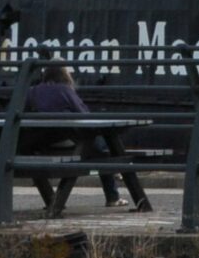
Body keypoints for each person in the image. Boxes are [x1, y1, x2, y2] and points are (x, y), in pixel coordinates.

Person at [22, 64, 123, 207]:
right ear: (64, 75)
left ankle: (52, 200)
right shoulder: (65, 90)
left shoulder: (31, 92)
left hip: (40, 144)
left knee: (95, 146)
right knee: (99, 149)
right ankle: (113, 196)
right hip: (66, 141)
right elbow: (84, 115)